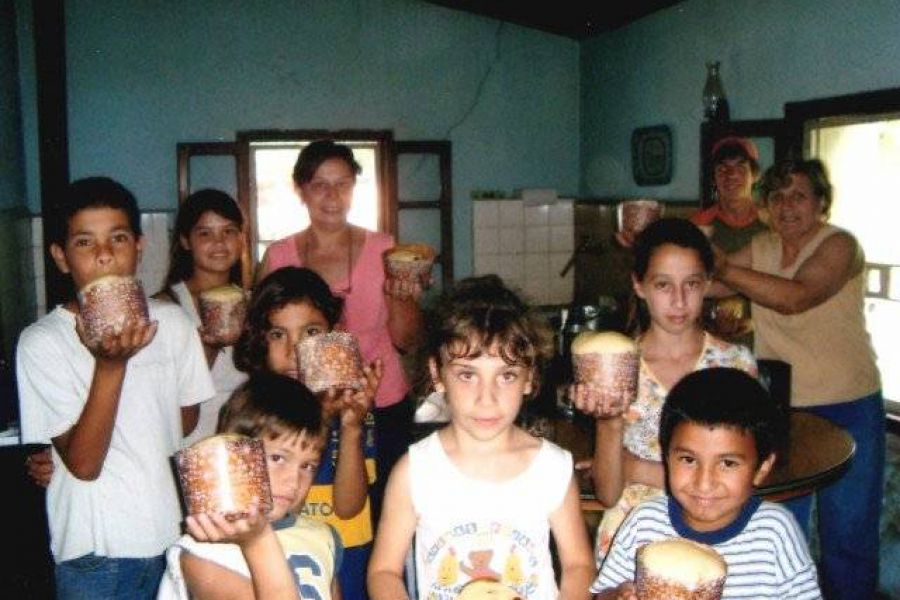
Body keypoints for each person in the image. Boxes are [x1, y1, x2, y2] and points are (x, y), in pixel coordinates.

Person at [16, 177, 215, 599]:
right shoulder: (42, 341)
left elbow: (184, 418)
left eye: (118, 238)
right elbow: (84, 464)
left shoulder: (174, 323)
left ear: (139, 246)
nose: (105, 254)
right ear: (61, 257)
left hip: (171, 536)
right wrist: (111, 366)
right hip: (97, 552)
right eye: (85, 242)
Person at [713, 158, 883, 600]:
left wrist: (722, 269)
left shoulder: (840, 245)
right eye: (777, 196)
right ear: (766, 205)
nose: (787, 205)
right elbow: (706, 282)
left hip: (848, 403)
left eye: (799, 195)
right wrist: (653, 250)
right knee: (780, 529)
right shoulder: (761, 246)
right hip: (782, 409)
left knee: (848, 534)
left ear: (821, 203)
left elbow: (797, 297)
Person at [367, 275, 594, 600]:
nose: (486, 398)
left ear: (529, 378)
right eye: (467, 375)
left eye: (506, 375)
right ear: (437, 374)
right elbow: (383, 572)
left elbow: (578, 566)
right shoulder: (414, 471)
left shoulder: (553, 467)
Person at [257, 140, 423, 525]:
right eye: (319, 184)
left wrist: (401, 298)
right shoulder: (280, 255)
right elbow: (264, 337)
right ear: (301, 190)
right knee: (307, 507)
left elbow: (407, 340)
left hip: (380, 403)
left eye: (343, 184)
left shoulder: (385, 249)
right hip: (305, 404)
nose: (332, 196)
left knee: (382, 511)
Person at [572, 218, 756, 563]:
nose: (679, 300)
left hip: (713, 539)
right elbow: (610, 494)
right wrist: (607, 423)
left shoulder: (734, 365)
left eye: (691, 284)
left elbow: (746, 477)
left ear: (708, 284)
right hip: (631, 543)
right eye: (663, 285)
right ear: (639, 285)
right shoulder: (614, 367)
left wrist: (639, 469)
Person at [593, 367, 821, 600]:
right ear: (667, 457)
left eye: (728, 463)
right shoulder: (644, 522)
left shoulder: (774, 532)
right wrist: (617, 596)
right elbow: (602, 595)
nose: (704, 483)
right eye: (688, 460)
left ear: (761, 469)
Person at [234, 266, 381, 600]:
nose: (295, 351)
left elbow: (348, 507)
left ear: (334, 334)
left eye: (311, 333)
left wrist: (351, 427)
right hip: (276, 553)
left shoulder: (353, 408)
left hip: (346, 557)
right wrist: (319, 423)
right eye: (277, 335)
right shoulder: (255, 411)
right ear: (259, 339)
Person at [158, 372, 342, 600]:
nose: (294, 481)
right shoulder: (202, 556)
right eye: (277, 459)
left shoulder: (320, 537)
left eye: (307, 466)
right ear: (234, 455)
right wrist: (258, 540)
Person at [156, 188, 249, 446]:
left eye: (229, 231)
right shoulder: (165, 308)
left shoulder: (254, 303)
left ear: (241, 238)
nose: (219, 243)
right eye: (205, 233)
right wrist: (207, 348)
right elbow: (158, 394)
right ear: (186, 241)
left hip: (245, 442)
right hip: (189, 444)